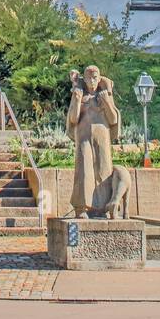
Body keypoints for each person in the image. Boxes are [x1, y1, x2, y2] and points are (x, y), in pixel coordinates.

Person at [66, 65, 120, 217]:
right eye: (89, 77)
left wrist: (106, 101)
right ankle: (81, 208)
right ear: (84, 78)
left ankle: (104, 208)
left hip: (102, 136)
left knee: (104, 170)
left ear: (99, 78)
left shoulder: (104, 94)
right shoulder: (79, 93)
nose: (92, 80)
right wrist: (76, 100)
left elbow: (114, 119)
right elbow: (73, 119)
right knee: (84, 170)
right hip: (83, 136)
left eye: (95, 77)